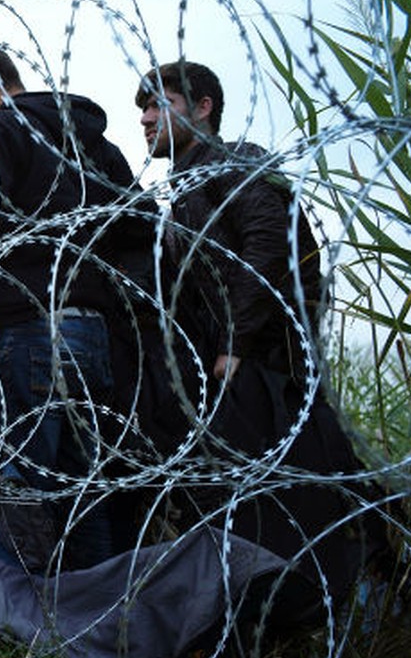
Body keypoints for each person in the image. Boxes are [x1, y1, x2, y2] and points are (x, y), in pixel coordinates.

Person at [135, 60, 387, 609]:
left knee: (306, 484)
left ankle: (359, 594)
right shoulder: (187, 185)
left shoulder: (233, 164)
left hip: (272, 365)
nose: (147, 117)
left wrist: (234, 343)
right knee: (276, 490)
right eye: (144, 108)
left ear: (203, 109)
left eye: (162, 104)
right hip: (245, 366)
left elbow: (268, 244)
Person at [0, 40, 140, 569]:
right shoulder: (88, 138)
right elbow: (139, 219)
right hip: (95, 333)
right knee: (82, 489)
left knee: (23, 487)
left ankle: (32, 615)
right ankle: (100, 613)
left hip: (34, 331)